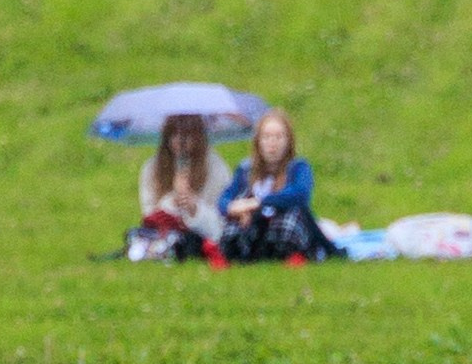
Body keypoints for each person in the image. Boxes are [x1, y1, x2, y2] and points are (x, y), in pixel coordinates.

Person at [220, 109, 331, 264]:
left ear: (288, 141)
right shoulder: (246, 169)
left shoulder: (298, 167)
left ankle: (293, 257)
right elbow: (224, 198)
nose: (272, 143)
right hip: (254, 226)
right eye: (267, 137)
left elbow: (300, 194)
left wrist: (259, 202)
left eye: (278, 137)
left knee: (291, 218)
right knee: (231, 227)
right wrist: (235, 208)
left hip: (282, 226)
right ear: (258, 141)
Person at [131, 110, 228, 262]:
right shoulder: (152, 168)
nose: (180, 140)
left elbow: (221, 223)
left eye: (188, 134)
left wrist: (193, 206)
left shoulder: (215, 167)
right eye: (174, 134)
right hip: (165, 236)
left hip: (203, 236)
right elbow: (149, 216)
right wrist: (173, 201)